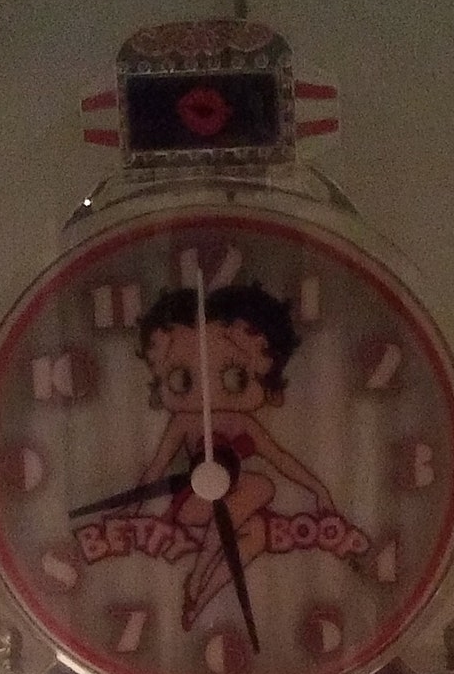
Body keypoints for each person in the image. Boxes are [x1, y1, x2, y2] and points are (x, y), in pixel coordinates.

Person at [135, 254, 339, 629]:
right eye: (181, 378)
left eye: (233, 377)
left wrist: (319, 489)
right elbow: (155, 469)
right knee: (261, 485)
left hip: (232, 509)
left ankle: (197, 600)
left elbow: (282, 458)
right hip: (193, 503)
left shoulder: (245, 423)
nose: (208, 391)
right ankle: (198, 575)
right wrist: (129, 510)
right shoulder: (185, 422)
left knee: (256, 534)